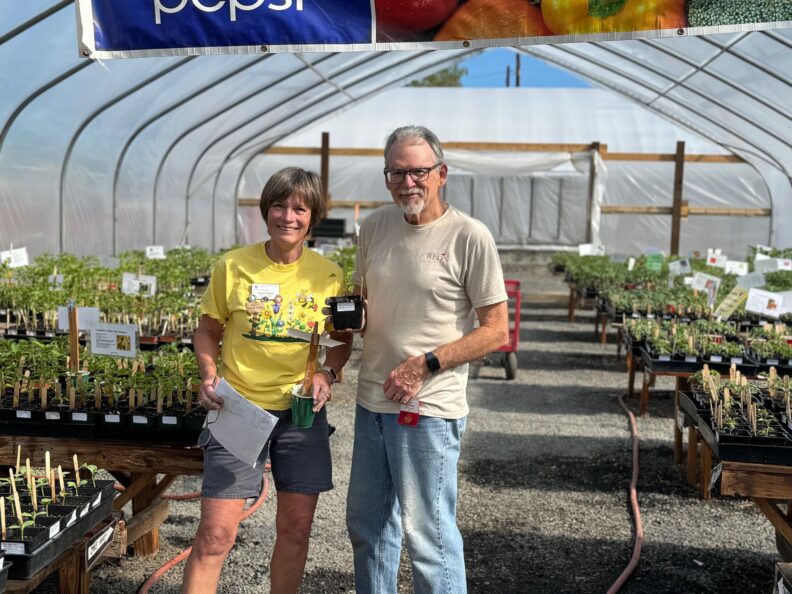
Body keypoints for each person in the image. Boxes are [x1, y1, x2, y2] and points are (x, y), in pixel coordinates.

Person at [346, 125, 509, 593]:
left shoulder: (469, 236)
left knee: (428, 537)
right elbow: (361, 301)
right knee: (367, 527)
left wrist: (426, 364)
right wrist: (345, 317)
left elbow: (496, 330)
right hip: (372, 403)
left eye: (418, 171)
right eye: (396, 172)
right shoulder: (374, 227)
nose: (407, 182)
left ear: (442, 174)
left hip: (428, 409)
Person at [182, 167, 352, 594]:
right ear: (265, 211)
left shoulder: (328, 275)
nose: (288, 217)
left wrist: (326, 372)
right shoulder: (235, 266)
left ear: (313, 216)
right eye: (279, 205)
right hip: (239, 409)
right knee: (216, 534)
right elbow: (207, 330)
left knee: (295, 529)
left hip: (301, 414)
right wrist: (208, 376)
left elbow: (341, 341)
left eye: (300, 208)